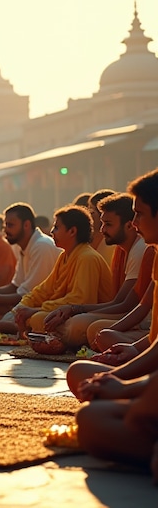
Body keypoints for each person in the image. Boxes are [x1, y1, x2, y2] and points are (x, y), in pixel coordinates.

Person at [67, 168, 158, 396]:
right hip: (146, 348)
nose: (136, 223)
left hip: (146, 350)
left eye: (140, 214)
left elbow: (130, 305)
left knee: (92, 417)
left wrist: (121, 381)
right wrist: (131, 350)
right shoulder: (147, 253)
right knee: (78, 372)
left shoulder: (143, 251)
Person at [42, 193, 152, 349]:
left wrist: (74, 309)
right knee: (68, 322)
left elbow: (127, 305)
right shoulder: (122, 250)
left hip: (140, 323)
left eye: (108, 224)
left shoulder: (141, 249)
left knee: (86, 327)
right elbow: (46, 289)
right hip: (126, 316)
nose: (101, 230)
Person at [11, 206, 115, 341]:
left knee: (40, 318)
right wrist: (24, 305)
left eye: (57, 227)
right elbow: (45, 289)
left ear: (72, 231)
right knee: (34, 317)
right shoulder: (64, 256)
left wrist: (38, 310)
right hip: (63, 311)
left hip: (89, 314)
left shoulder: (87, 257)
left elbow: (81, 300)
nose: (52, 232)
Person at [0, 202, 62, 334]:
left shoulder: (41, 246)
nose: (5, 230)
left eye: (10, 225)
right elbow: (15, 286)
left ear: (26, 225)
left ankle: (30, 333)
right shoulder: (25, 247)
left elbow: (30, 295)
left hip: (44, 307)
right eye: (5, 225)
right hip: (27, 303)